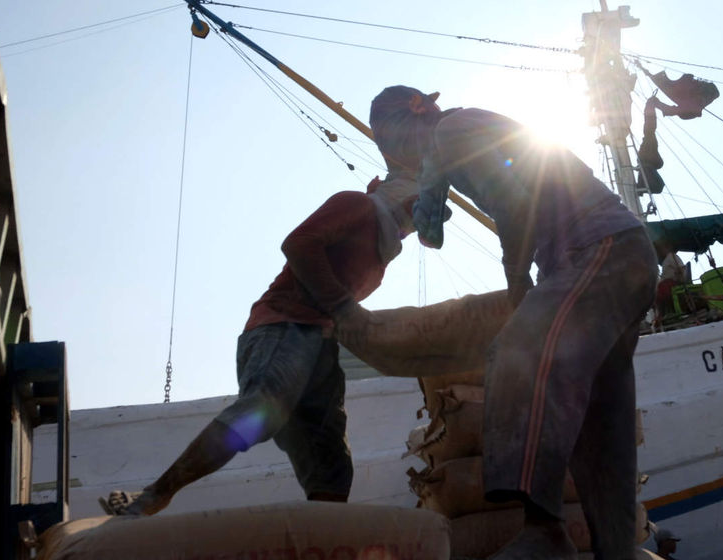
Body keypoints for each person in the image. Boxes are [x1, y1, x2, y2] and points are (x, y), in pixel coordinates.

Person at [369, 86, 658, 559]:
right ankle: (615, 548)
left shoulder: (452, 129)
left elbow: (514, 202)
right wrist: (424, 195)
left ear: (407, 121)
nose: (392, 153)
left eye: (387, 141)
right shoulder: (452, 140)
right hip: (622, 256)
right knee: (598, 416)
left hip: (594, 250)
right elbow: (433, 234)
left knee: (516, 355)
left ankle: (543, 530)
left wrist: (517, 277)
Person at [100, 176, 420, 515]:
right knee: (260, 411)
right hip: (283, 326)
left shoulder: (383, 253)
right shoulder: (357, 205)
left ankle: (324, 538)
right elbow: (299, 244)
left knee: (331, 463)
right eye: (430, 196)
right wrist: (344, 307)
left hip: (320, 345)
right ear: (406, 194)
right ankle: (154, 495)